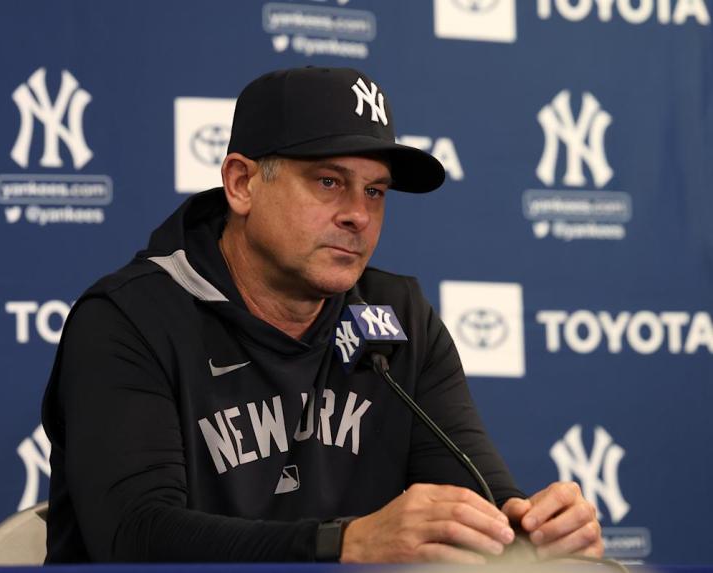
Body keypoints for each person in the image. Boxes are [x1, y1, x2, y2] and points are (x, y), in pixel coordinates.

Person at [41, 66, 603, 563]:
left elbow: (475, 498)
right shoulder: (128, 319)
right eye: (329, 182)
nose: (358, 215)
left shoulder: (397, 316)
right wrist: (343, 543)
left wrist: (529, 530)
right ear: (241, 184)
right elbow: (136, 537)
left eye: (376, 192)